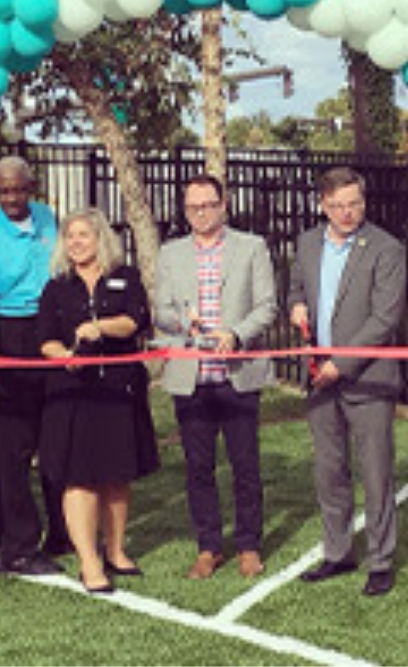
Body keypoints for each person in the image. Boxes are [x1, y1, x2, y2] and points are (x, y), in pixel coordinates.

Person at [288, 166, 407, 597]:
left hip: (367, 379)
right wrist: (296, 305)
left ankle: (380, 560)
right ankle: (338, 553)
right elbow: (296, 289)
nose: (347, 213)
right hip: (320, 380)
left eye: (354, 203)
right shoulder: (307, 243)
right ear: (323, 204)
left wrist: (341, 363)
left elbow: (385, 317)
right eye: (338, 205)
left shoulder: (387, 248)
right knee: (329, 471)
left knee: (376, 474)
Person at [154, 174, 278, 579]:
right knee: (198, 468)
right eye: (193, 207)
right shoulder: (171, 253)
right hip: (191, 377)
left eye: (208, 205)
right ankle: (208, 546)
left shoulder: (251, 247)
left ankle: (248, 545)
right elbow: (161, 311)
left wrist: (237, 334)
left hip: (237, 374)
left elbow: (267, 306)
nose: (201, 213)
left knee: (245, 466)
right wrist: (181, 322)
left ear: (224, 205)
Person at [37, 208, 159, 594]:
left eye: (83, 235)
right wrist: (65, 357)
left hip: (118, 392)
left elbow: (136, 320)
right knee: (80, 479)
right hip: (72, 394)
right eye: (70, 236)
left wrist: (99, 327)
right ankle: (89, 562)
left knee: (116, 475)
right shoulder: (56, 288)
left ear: (101, 238)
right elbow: (45, 339)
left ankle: (116, 551)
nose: (76, 242)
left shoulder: (126, 277)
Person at [0, 156, 67, 576]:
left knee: (56, 436)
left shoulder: (47, 218)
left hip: (52, 329)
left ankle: (63, 532)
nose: (11, 198)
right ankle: (18, 548)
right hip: (10, 333)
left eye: (19, 190)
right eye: (3, 191)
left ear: (31, 188)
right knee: (16, 447)